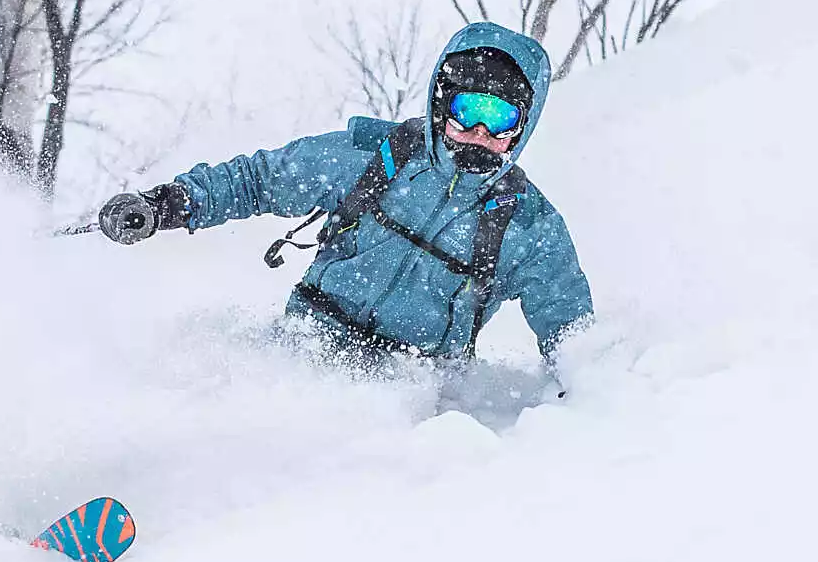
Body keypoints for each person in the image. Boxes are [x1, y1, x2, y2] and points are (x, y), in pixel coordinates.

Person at [98, 22, 593, 370]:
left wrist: (599, 410)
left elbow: (574, 341)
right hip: (308, 350)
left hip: (413, 396)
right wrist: (167, 204)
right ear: (443, 106)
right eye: (470, 109)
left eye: (502, 117)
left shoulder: (528, 225)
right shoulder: (378, 157)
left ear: (522, 127)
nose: (481, 130)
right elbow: (261, 179)